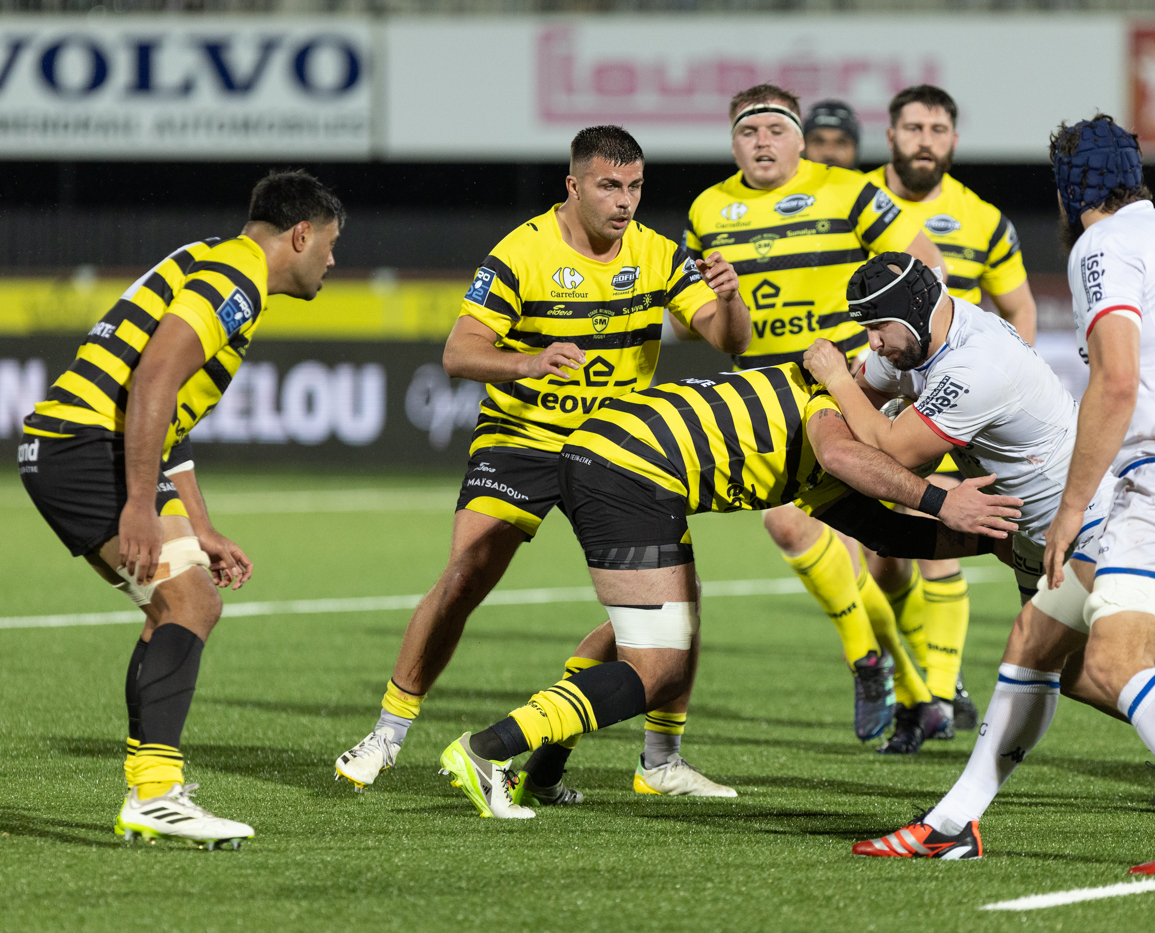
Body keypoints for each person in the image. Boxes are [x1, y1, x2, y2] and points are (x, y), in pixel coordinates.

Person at [851, 114, 1155, 874]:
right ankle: (953, 821)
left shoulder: (1103, 245)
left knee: (1115, 657)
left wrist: (1070, 508)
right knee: (1035, 639)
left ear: (1073, 187)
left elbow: (1117, 380)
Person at [333, 126, 751, 794]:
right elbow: (458, 353)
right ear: (574, 185)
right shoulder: (522, 253)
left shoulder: (659, 254)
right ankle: (387, 734)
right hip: (523, 437)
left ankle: (657, 759)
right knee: (467, 574)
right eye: (609, 186)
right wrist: (531, 361)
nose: (625, 201)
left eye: (635, 186)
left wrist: (731, 298)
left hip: (619, 449)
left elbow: (728, 340)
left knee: (672, 602)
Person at [804, 253, 1155, 767]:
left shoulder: (976, 361)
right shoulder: (910, 343)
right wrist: (853, 392)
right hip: (1037, 532)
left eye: (878, 327)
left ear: (916, 312)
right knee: (1075, 672)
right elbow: (869, 403)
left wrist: (834, 381)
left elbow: (892, 447)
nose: (872, 342)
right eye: (867, 329)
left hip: (1085, 509)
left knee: (1144, 613)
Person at [435, 360, 1024, 818]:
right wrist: (947, 501)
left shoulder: (839, 418)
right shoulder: (837, 420)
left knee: (661, 624)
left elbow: (886, 533)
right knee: (657, 667)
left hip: (626, 462)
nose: (921, 456)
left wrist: (992, 543)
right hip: (628, 472)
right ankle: (488, 750)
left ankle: (547, 770)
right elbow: (852, 460)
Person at [19, 170, 344, 848]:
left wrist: (197, 522)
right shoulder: (237, 276)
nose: (333, 263)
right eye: (331, 246)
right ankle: (156, 796)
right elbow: (156, 376)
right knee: (188, 603)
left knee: (184, 602)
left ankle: (153, 792)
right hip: (85, 444)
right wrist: (140, 502)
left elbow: (170, 412)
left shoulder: (218, 262)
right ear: (301, 234)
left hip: (89, 440)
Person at [685, 83, 949, 745]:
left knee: (820, 532)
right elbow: (719, 332)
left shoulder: (849, 191)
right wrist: (726, 306)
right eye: (750, 132)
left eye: (776, 129)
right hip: (760, 397)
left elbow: (927, 265)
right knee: (819, 531)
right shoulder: (707, 211)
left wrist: (895, 354)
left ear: (799, 139)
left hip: (844, 386)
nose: (763, 142)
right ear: (732, 141)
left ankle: (889, 672)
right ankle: (906, 684)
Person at [859, 85, 1041, 745]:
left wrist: (989, 382)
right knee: (881, 559)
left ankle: (935, 688)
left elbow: (1019, 307)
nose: (925, 139)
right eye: (914, 126)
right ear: (891, 134)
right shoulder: (857, 204)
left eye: (938, 127)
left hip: (949, 404)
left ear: (954, 140)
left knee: (931, 535)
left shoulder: (983, 218)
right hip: (879, 382)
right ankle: (927, 679)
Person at [802, 99, 861, 169]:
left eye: (841, 143)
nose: (829, 153)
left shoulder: (869, 180)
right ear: (802, 146)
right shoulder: (789, 180)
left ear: (855, 148)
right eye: (818, 142)